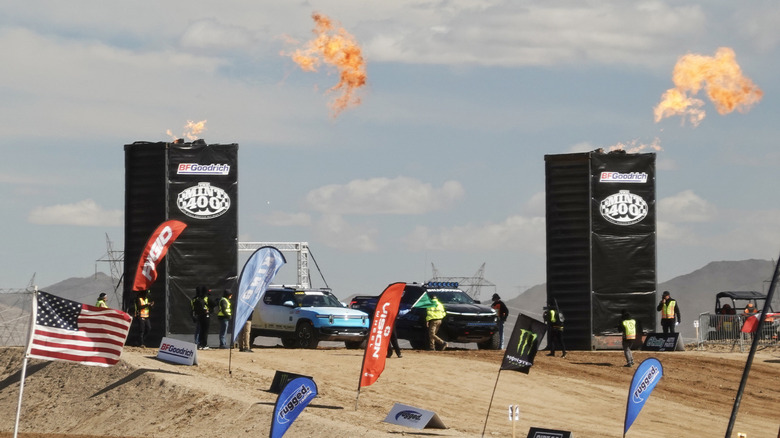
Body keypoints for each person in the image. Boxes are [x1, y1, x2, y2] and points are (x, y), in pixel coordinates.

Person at [191, 286, 213, 350]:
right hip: (204, 316)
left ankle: (199, 344)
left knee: (199, 330)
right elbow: (205, 307)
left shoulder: (194, 299)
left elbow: (192, 309)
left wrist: (193, 316)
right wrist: (207, 311)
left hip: (198, 316)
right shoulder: (203, 299)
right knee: (204, 331)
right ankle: (203, 344)